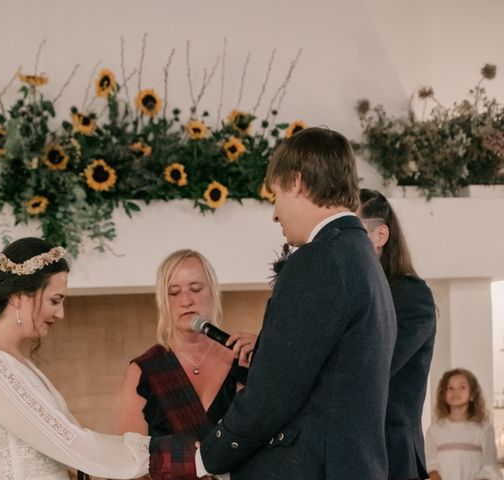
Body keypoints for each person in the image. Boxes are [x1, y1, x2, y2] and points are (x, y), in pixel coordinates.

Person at [149, 127, 398, 479]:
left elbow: (273, 395)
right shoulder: (360, 255)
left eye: (275, 195)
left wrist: (206, 458)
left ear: (296, 182)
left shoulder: (318, 260)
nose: (275, 214)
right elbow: (325, 369)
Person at [0, 237, 149, 480]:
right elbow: (72, 443)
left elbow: (69, 445)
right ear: (18, 297)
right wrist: (159, 455)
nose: (60, 314)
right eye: (54, 300)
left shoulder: (13, 361)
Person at [118, 249, 256, 478]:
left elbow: (258, 438)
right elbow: (130, 460)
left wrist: (264, 357)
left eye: (195, 289)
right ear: (163, 301)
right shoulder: (145, 370)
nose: (186, 301)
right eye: (174, 292)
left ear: (212, 292)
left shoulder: (241, 360)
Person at [359, 188, 437, 480]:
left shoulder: (412, 296)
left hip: (393, 453)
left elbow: (376, 367)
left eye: (354, 231)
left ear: (380, 236)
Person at [425, 368, 503, 480]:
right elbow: (431, 466)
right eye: (450, 388)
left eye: (462, 387)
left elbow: (489, 466)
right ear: (444, 394)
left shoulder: (484, 429)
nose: (455, 391)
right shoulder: (434, 430)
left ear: (472, 394)